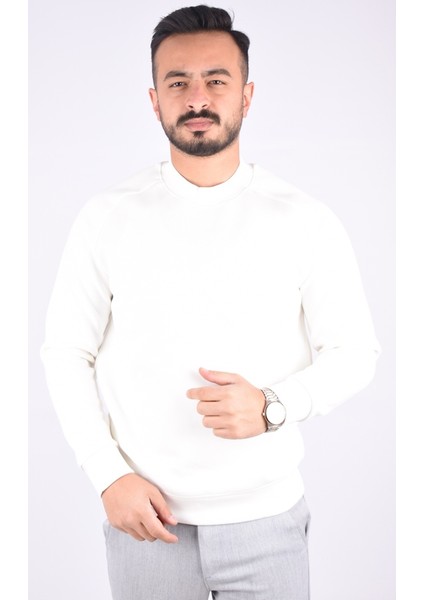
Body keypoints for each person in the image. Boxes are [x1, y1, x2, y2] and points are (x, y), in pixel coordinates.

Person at [41, 5, 380, 599]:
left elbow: (355, 353)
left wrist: (273, 407)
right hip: (146, 521)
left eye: (216, 80)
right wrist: (108, 474)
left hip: (267, 524)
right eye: (178, 83)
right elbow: (66, 351)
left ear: (247, 95)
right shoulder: (107, 218)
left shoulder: (304, 220)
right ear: (154, 101)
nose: (197, 98)